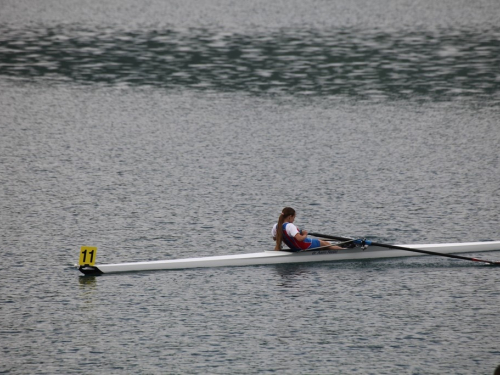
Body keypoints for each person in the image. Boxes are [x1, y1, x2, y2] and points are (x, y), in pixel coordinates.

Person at [272, 207, 344, 251]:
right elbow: (300, 239)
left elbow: (275, 238)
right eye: (294, 217)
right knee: (325, 243)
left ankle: (332, 248)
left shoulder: (276, 226)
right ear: (290, 216)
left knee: (321, 242)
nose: (294, 219)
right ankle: (344, 251)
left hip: (295, 247)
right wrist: (305, 234)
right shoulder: (290, 226)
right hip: (304, 245)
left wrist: (298, 232)